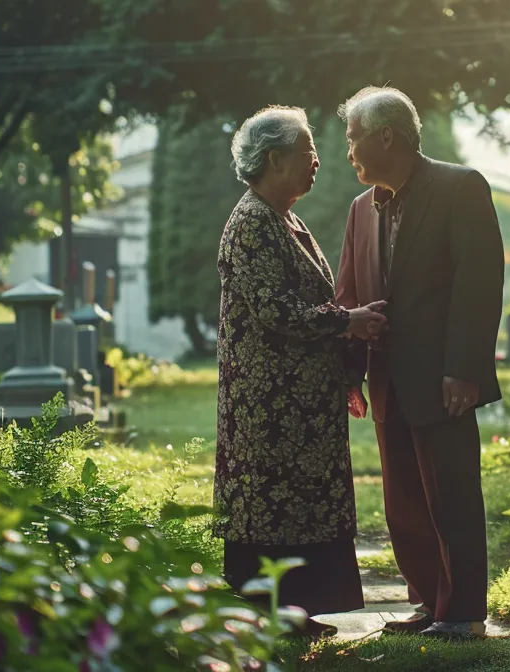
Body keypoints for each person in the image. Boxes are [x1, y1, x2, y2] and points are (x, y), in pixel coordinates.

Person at [333, 86, 504, 639]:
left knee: (452, 495)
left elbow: (479, 285)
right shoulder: (361, 209)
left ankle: (463, 615)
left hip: (443, 378)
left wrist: (466, 369)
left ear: (388, 136)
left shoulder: (460, 187)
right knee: (404, 505)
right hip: (385, 382)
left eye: (354, 137)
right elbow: (349, 294)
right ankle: (430, 602)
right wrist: (349, 373)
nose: (349, 151)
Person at [213, 105, 386, 639]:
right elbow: (275, 309)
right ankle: (270, 617)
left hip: (299, 400)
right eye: (307, 151)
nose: (317, 160)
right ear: (273, 159)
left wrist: (341, 374)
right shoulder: (251, 222)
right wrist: (349, 322)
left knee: (302, 504)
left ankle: (298, 612)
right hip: (268, 404)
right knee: (271, 506)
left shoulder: (284, 216)